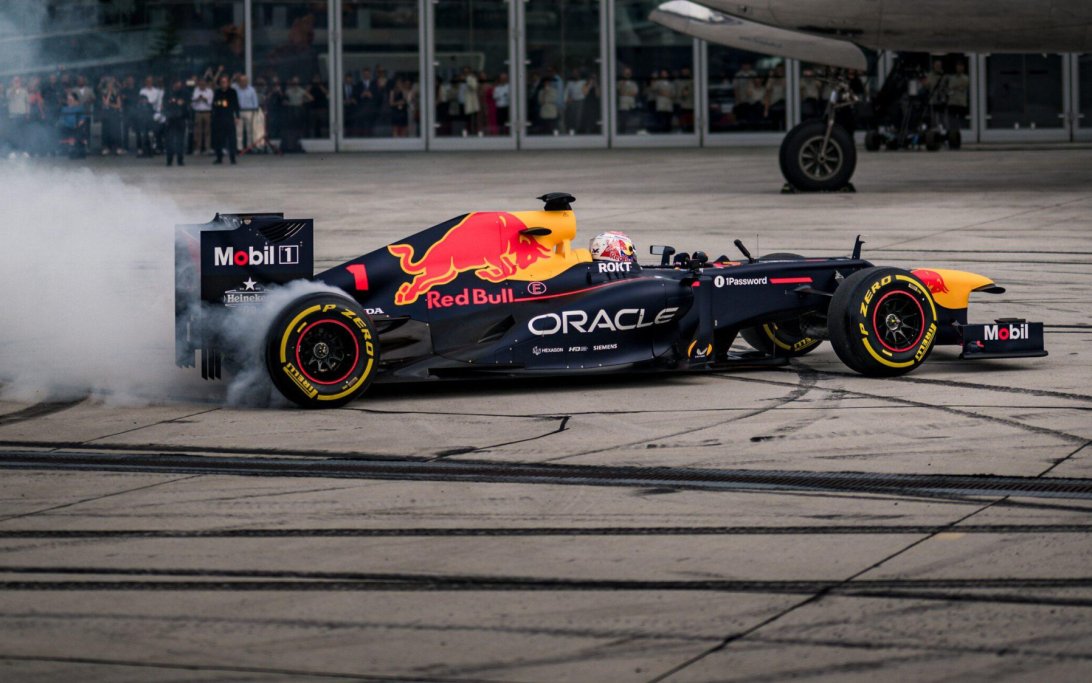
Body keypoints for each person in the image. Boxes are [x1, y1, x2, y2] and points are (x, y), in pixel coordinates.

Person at [211, 75, 240, 164]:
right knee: (218, 139)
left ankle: (233, 158)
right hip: (218, 118)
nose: (223, 84)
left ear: (228, 83)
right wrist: (222, 103)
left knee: (232, 139)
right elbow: (214, 104)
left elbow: (235, 104)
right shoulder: (217, 92)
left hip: (229, 117)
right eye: (222, 82)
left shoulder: (232, 92)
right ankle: (219, 157)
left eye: (225, 82)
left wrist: (237, 116)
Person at [163, 80, 190, 166]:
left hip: (180, 119)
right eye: (177, 84)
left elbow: (186, 104)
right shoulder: (168, 93)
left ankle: (180, 160)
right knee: (169, 140)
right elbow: (165, 105)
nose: (178, 86)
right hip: (170, 119)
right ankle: (169, 160)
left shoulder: (184, 93)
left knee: (180, 141)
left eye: (179, 84)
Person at [233, 74, 259, 151]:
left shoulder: (251, 90)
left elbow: (255, 101)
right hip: (239, 112)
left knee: (249, 130)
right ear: (239, 82)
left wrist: (255, 110)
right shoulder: (236, 90)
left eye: (245, 81)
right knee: (239, 131)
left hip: (249, 111)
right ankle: (239, 148)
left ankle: (249, 147)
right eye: (242, 81)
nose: (243, 82)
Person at [99, 77, 125, 155]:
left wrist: (110, 105)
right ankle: (106, 147)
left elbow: (119, 105)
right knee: (106, 131)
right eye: (108, 84)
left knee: (116, 131)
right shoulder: (104, 93)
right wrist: (109, 94)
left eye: (111, 84)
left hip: (114, 114)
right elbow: (105, 103)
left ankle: (118, 147)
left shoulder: (117, 93)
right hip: (106, 114)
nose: (110, 86)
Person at [191, 77, 213, 154]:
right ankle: (197, 148)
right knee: (197, 131)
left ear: (206, 84)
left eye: (203, 84)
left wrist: (205, 99)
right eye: (200, 84)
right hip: (198, 112)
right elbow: (193, 103)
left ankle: (207, 148)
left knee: (207, 131)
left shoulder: (209, 91)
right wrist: (197, 99)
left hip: (207, 112)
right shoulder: (196, 91)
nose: (202, 85)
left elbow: (211, 102)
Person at [617, 67, 639, 134]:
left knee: (632, 122)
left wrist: (626, 93)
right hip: (623, 106)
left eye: (629, 73)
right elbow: (621, 91)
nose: (627, 74)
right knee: (623, 122)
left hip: (631, 105)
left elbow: (635, 92)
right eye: (626, 73)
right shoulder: (620, 82)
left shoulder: (633, 83)